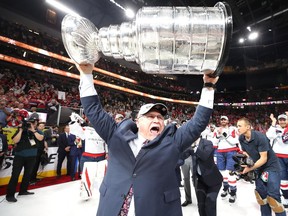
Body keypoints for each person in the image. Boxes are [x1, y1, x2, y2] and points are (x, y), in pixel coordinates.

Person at [76, 63, 218, 216]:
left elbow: (198, 123)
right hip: (112, 208)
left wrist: (208, 85)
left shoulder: (172, 143)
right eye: (150, 116)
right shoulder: (115, 135)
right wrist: (86, 74)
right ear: (137, 121)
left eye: (160, 117)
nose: (156, 120)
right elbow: (93, 110)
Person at [237, 117, 286, 216]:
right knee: (261, 196)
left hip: (271, 167)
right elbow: (245, 152)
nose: (237, 128)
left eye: (239, 126)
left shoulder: (260, 137)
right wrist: (246, 163)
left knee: (273, 198)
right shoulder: (241, 138)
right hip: (258, 167)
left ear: (248, 127)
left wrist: (250, 168)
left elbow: (263, 158)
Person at [6, 118, 44, 202]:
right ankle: (10, 195)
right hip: (20, 156)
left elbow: (41, 138)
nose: (29, 125)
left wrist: (33, 130)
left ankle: (23, 191)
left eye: (32, 123)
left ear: (35, 124)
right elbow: (15, 140)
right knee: (15, 175)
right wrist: (20, 130)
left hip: (32, 157)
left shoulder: (37, 131)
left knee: (27, 174)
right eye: (28, 123)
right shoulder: (21, 131)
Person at [192, 138, 222, 216]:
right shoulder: (189, 144)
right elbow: (182, 155)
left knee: (209, 206)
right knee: (201, 206)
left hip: (214, 181)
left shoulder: (207, 143)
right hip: (201, 180)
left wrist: (194, 147)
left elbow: (205, 156)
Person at [266, 113, 288, 207]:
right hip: (278, 156)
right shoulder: (275, 128)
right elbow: (269, 135)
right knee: (283, 179)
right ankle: (286, 197)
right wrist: (273, 123)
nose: (282, 121)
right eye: (280, 120)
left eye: (284, 119)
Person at [215, 115, 239, 203]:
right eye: (221, 120)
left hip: (231, 151)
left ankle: (233, 192)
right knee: (222, 172)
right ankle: (225, 188)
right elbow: (214, 142)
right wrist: (218, 135)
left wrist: (224, 135)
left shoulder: (233, 129)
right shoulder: (217, 129)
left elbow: (235, 141)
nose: (223, 121)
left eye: (224, 119)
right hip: (220, 151)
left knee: (230, 173)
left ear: (228, 121)